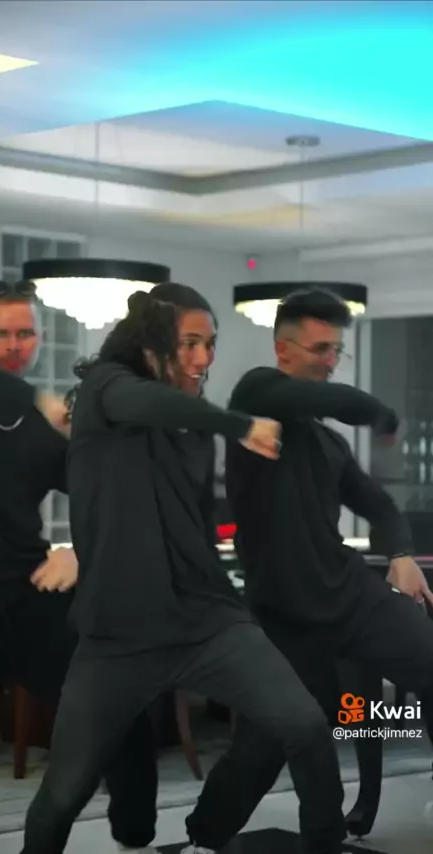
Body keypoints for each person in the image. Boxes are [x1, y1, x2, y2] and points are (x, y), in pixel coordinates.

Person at [20, 283, 348, 854]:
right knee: (64, 793)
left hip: (207, 619)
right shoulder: (105, 390)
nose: (203, 357)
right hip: (119, 635)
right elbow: (144, 405)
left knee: (304, 723)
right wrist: (239, 424)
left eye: (210, 344)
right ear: (151, 345)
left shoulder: (196, 427)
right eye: (189, 343)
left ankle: (291, 840)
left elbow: (190, 515)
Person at [184, 286, 433, 851]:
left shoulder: (327, 444)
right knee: (265, 743)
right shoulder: (252, 399)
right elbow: (329, 399)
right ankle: (204, 838)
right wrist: (380, 413)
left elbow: (379, 506)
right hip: (284, 615)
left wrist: (400, 555)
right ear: (283, 349)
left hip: (351, 595)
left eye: (336, 350)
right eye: (321, 349)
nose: (330, 361)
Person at [0, 279, 156, 854]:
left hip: (28, 592)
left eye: (25, 333)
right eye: (1, 333)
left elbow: (112, 501)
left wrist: (81, 551)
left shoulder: (52, 424)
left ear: (39, 338)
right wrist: (31, 398)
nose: (13, 344)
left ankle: (135, 832)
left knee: (119, 700)